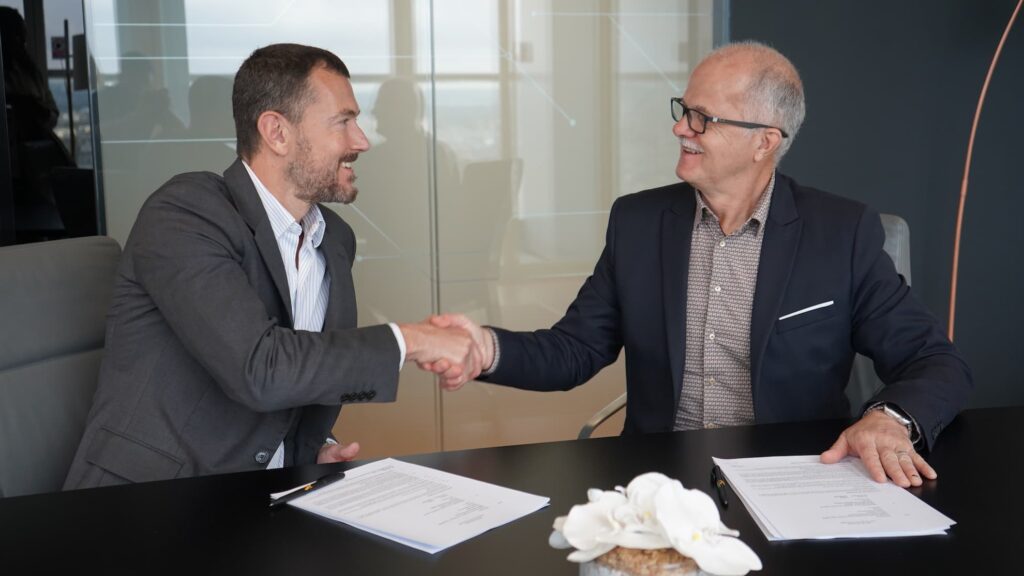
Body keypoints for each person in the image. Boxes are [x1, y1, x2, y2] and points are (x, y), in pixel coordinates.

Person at [425, 41, 972, 489]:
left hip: (795, 478)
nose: (680, 128)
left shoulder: (841, 233)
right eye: (684, 110)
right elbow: (576, 350)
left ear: (765, 143)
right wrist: (486, 349)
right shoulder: (638, 222)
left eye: (702, 118)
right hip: (656, 477)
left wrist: (888, 418)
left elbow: (935, 361)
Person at [64, 43, 482, 489]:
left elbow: (301, 373)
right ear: (277, 132)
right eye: (343, 121)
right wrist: (414, 339)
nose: (361, 140)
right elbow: (259, 368)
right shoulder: (185, 214)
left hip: (270, 498)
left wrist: (305, 448)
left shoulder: (333, 240)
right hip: (148, 505)